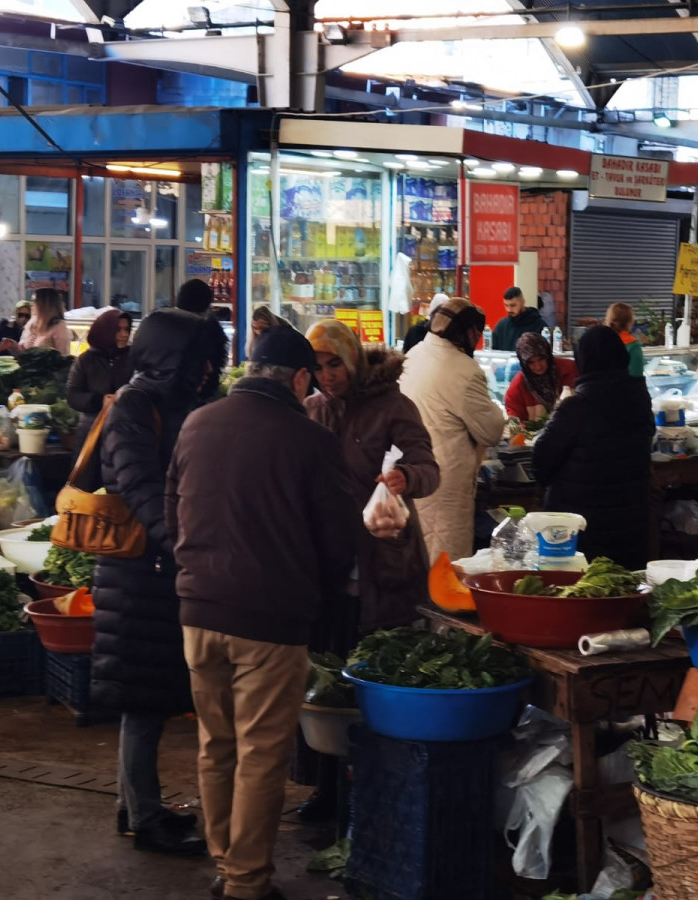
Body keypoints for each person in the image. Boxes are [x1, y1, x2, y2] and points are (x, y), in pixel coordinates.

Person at [168, 326, 359, 900]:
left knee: (216, 744)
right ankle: (246, 883)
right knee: (260, 753)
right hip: (269, 622)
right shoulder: (310, 442)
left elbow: (171, 503)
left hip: (197, 611)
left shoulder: (197, 423)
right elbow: (337, 543)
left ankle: (228, 864)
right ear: (300, 379)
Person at [298, 318, 439, 820]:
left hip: (383, 562)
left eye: (334, 363)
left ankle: (375, 795)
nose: (327, 375)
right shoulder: (310, 410)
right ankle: (327, 793)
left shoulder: (393, 407)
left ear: (353, 358)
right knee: (327, 682)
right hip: (328, 568)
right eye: (316, 366)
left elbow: (430, 469)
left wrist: (405, 477)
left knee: (375, 683)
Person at [89, 308, 216, 858]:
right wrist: (185, 548)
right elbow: (140, 489)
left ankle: (135, 806)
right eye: (197, 360)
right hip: (138, 572)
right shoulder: (135, 409)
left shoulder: (173, 403)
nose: (208, 371)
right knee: (142, 703)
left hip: (160, 567)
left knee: (151, 696)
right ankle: (143, 818)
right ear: (170, 358)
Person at [531, 326, 654, 570]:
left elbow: (540, 463)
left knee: (584, 598)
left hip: (580, 532)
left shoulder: (575, 407)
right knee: (621, 594)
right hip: (631, 525)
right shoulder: (641, 402)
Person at [400, 297, 506, 563]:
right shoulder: (465, 370)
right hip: (444, 483)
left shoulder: (413, 354)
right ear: (467, 333)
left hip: (410, 476)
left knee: (416, 561)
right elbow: (491, 431)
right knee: (447, 567)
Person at [67, 308, 135, 436]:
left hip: (125, 429)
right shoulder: (86, 360)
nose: (124, 335)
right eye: (118, 330)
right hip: (91, 429)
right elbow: (73, 396)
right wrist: (100, 401)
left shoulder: (134, 358)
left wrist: (125, 398)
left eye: (127, 329)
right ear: (106, 332)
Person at [504, 332, 577, 421]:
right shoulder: (517, 388)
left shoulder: (571, 369)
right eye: (531, 362)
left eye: (541, 359)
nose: (538, 366)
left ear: (548, 356)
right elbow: (515, 424)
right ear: (524, 364)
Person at [13, 288, 71, 354]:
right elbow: (22, 350)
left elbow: (64, 357)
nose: (31, 304)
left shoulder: (59, 327)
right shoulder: (32, 322)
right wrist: (13, 345)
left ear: (45, 304)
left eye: (34, 301)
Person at [491, 286, 544, 352]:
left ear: (523, 302)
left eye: (513, 305)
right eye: (506, 305)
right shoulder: (501, 326)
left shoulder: (538, 325)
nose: (509, 309)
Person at [604, 302, 645, 378]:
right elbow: (636, 376)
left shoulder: (601, 342)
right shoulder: (633, 346)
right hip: (624, 388)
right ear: (630, 322)